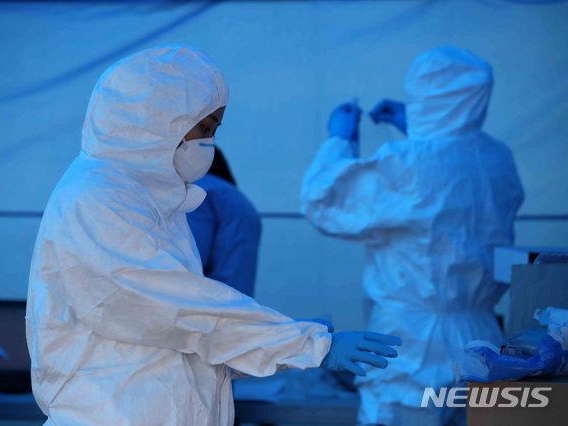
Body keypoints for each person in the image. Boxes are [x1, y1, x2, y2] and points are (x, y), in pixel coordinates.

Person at [26, 45, 401, 426]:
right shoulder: (97, 197)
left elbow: (188, 329)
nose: (207, 144)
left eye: (214, 131)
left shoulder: (156, 199)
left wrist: (278, 337)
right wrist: (300, 342)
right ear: (157, 120)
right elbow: (170, 308)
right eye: (203, 129)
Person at [300, 46, 524, 425]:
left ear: (424, 99)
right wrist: (417, 126)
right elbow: (447, 180)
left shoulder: (408, 163)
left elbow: (322, 200)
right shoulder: (497, 158)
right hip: (481, 334)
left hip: (412, 339)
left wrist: (339, 138)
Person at [187, 146, 261, 297]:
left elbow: (188, 260)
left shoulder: (197, 191)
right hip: (238, 302)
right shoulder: (234, 196)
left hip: (200, 302)